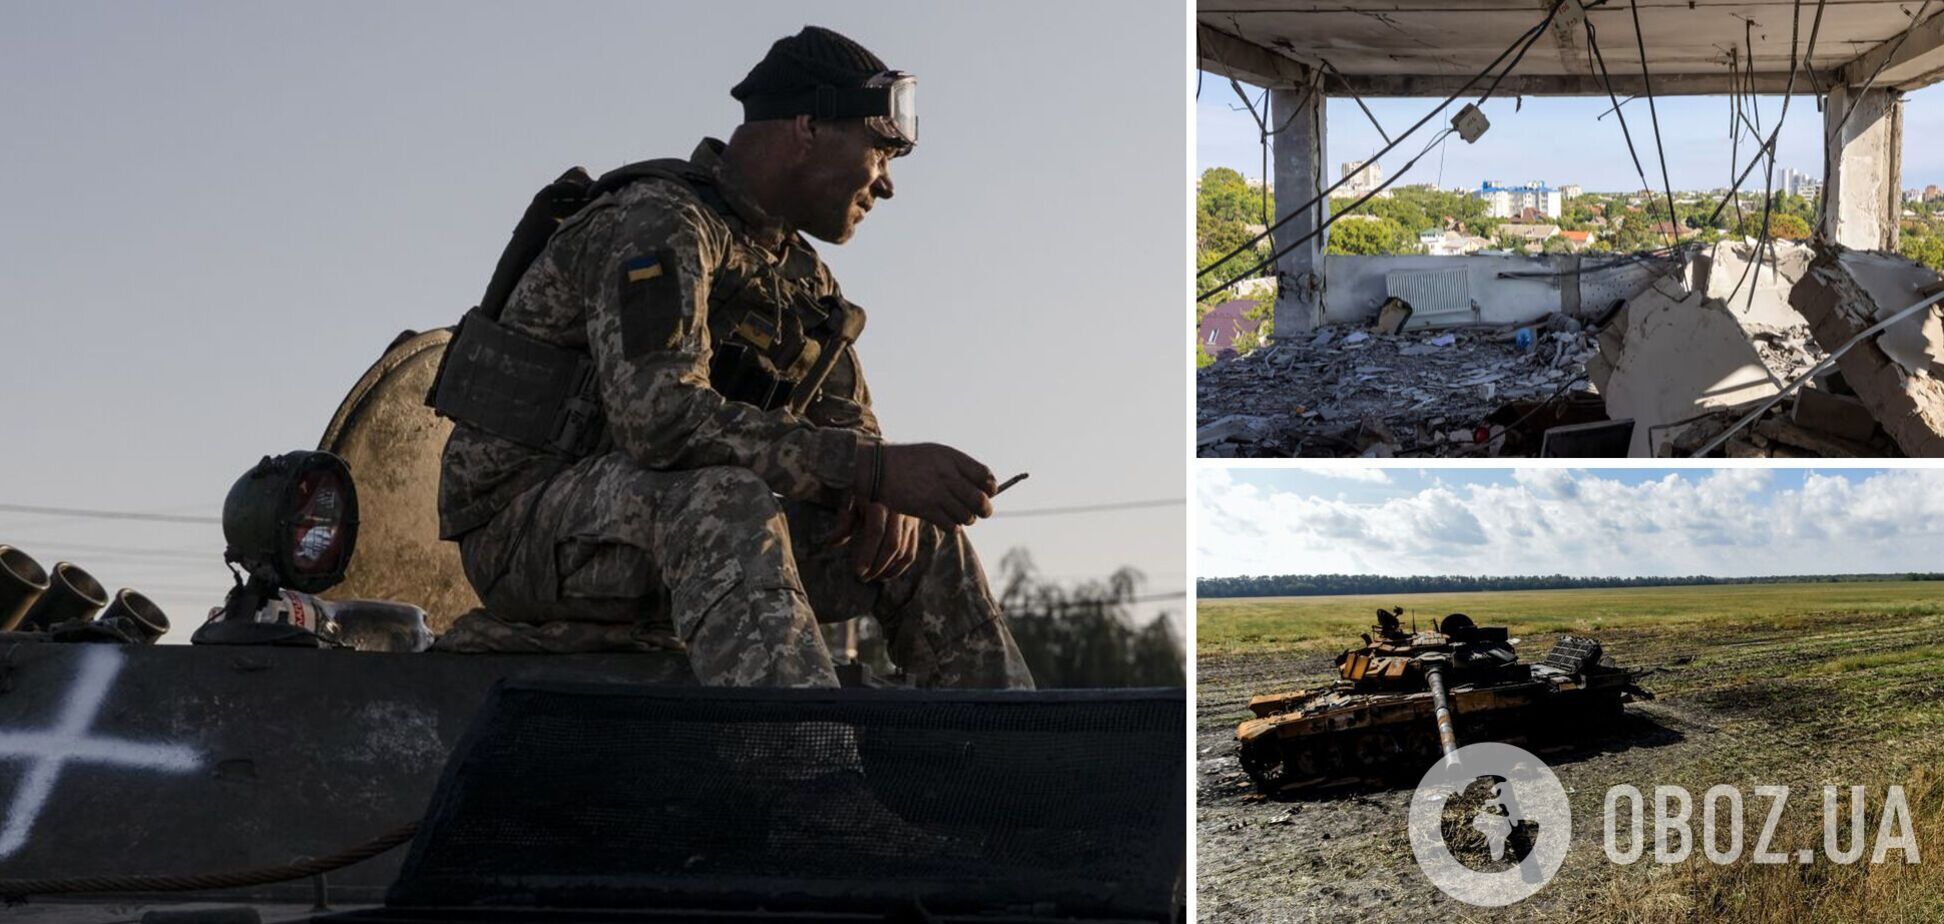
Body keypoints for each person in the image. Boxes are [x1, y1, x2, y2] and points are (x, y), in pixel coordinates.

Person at [430, 25, 1033, 691]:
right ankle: (811, 780)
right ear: (806, 127)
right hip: (525, 529)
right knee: (728, 500)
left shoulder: (801, 279)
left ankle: (1010, 772)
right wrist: (867, 469)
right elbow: (658, 419)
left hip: (649, 524)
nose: (884, 185)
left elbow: (851, 429)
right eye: (879, 152)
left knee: (921, 539)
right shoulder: (662, 220)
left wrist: (878, 483)